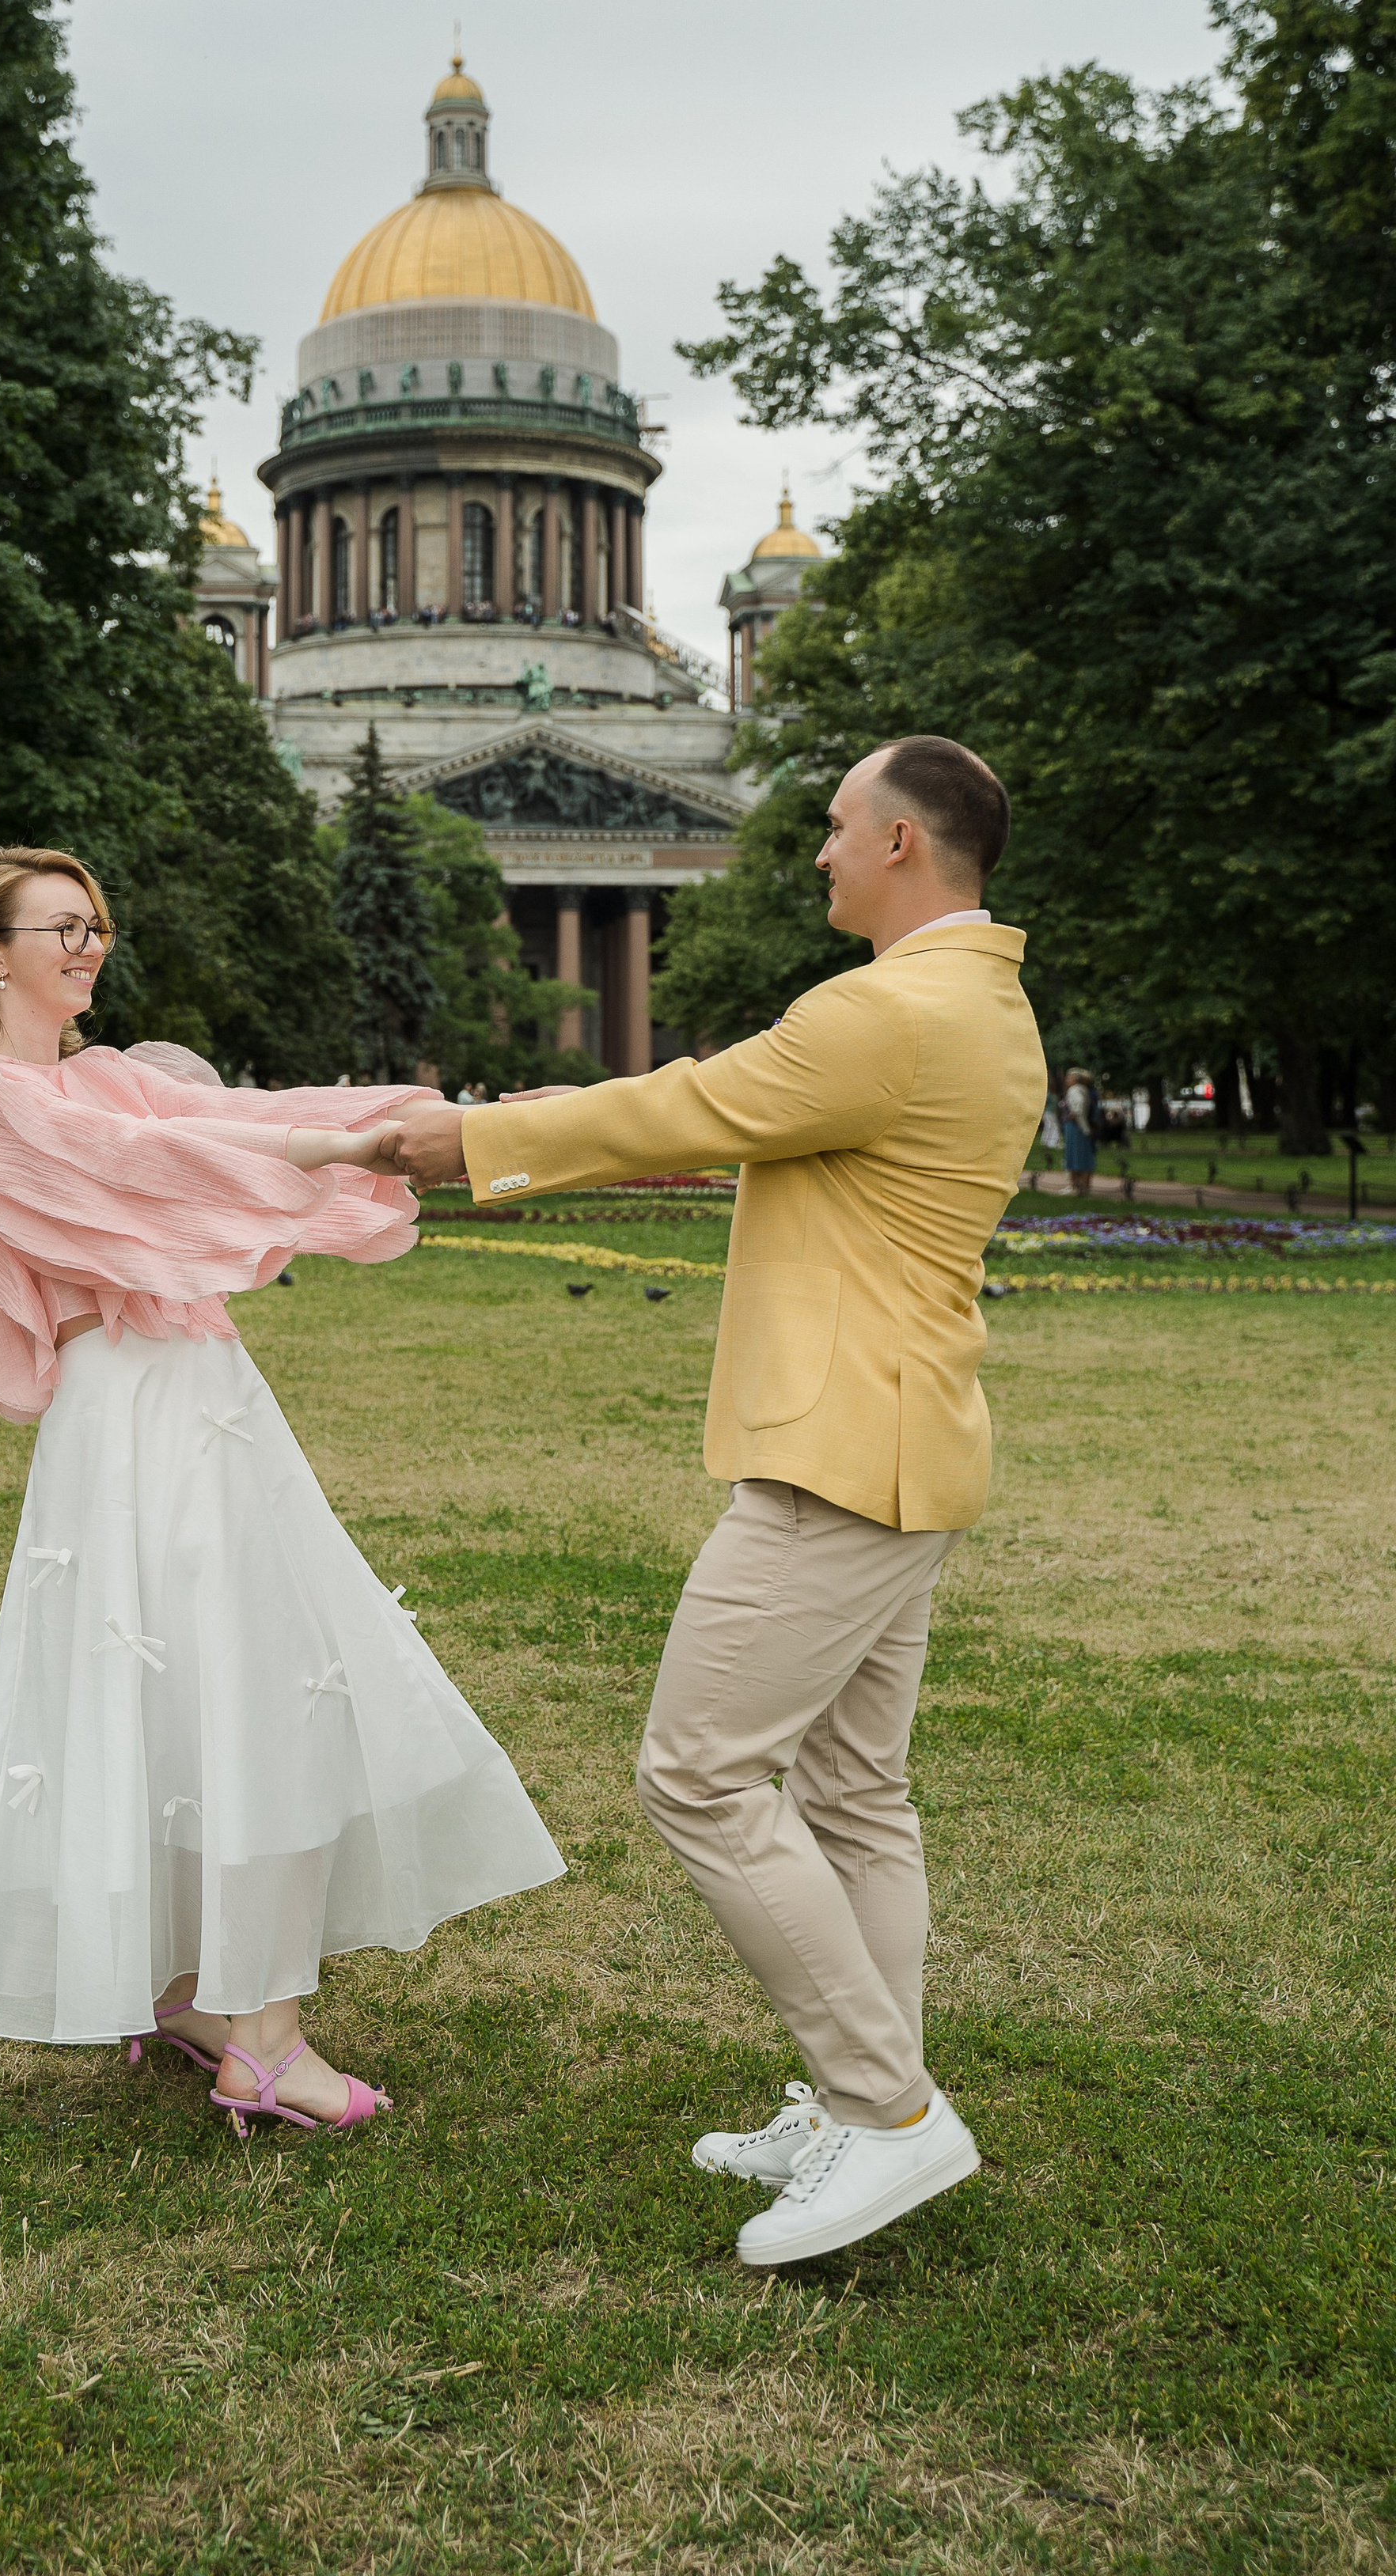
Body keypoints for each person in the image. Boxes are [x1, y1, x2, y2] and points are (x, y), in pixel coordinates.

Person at [387, 738, 1046, 2263]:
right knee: (854, 1798)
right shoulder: (979, 999)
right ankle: (852, 2098)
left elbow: (688, 1108)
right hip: (904, 1445)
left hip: (842, 1463)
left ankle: (885, 2112)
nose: (815, 852)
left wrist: (472, 1138)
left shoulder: (887, 1008)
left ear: (898, 843)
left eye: (832, 829)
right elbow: (726, 1111)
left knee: (698, 1776)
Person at [0, 847, 563, 2135]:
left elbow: (221, 1122)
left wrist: (425, 1119)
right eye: (61, 929)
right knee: (243, 1690)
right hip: (128, 1415)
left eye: (96, 929)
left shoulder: (113, 1078)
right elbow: (148, 1174)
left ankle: (192, 1992)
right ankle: (262, 2038)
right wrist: (341, 1145)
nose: (88, 948)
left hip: (205, 1398)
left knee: (234, 1686)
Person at [1062, 1068, 1098, 1198]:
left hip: (1076, 1126)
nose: (1067, 1080)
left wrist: (1075, 1114)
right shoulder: (1084, 1090)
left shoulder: (1075, 1090)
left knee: (1075, 1155)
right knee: (1082, 1156)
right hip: (1080, 1126)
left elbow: (1079, 1105)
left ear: (1076, 1079)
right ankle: (1084, 1186)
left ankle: (1075, 1185)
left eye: (1069, 1077)